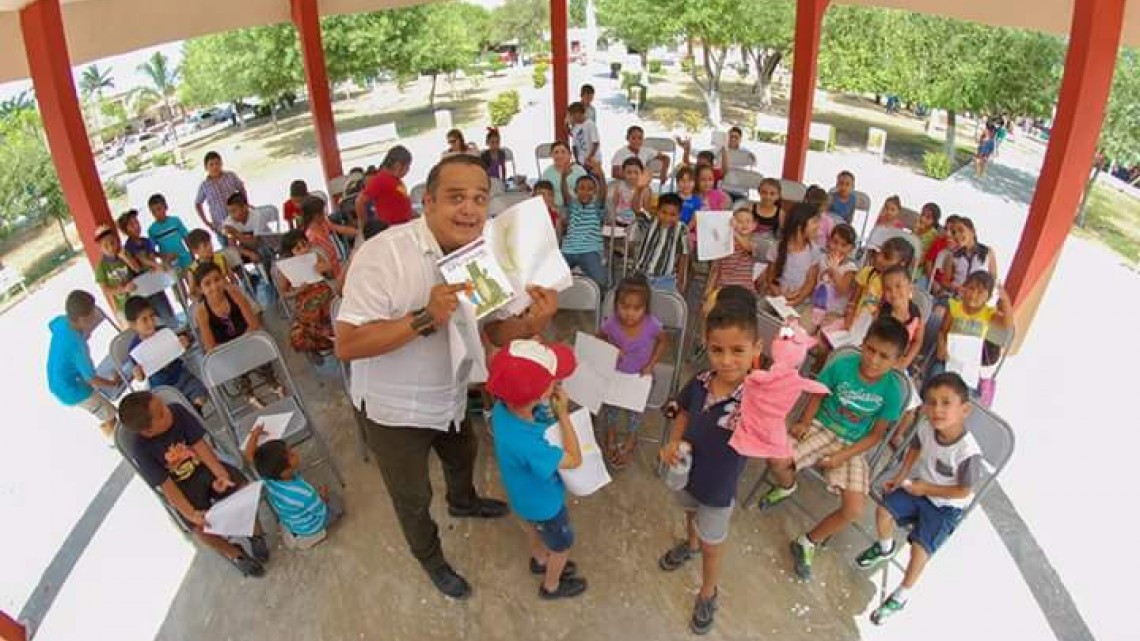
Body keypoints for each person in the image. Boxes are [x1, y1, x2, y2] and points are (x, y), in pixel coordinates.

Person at [334, 154, 559, 598]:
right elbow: (347, 344)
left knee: (463, 455)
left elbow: (494, 328)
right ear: (428, 202)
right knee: (413, 498)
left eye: (479, 199)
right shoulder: (384, 253)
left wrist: (532, 322)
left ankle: (464, 500)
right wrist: (424, 318)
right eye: (456, 198)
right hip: (394, 411)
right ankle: (432, 561)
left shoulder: (482, 255)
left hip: (452, 394)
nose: (470, 210)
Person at [759, 317, 909, 580]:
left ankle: (807, 542)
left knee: (853, 510)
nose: (874, 360)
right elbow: (818, 394)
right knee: (776, 458)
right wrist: (805, 421)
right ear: (863, 344)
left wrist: (842, 456)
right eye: (871, 350)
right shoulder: (843, 365)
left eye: (884, 356)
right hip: (821, 426)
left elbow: (876, 435)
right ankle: (787, 486)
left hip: (853, 445)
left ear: (896, 361)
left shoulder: (892, 391)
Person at [658, 293, 764, 635]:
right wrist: (674, 442)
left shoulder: (756, 398)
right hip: (687, 474)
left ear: (756, 349)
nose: (727, 360)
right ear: (707, 345)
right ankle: (688, 544)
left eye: (738, 350)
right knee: (688, 514)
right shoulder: (702, 381)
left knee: (712, 546)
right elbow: (684, 411)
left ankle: (708, 591)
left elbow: (768, 435)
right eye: (718, 350)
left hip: (718, 489)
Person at [856, 372, 983, 625]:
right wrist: (901, 475)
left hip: (947, 506)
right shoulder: (926, 426)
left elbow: (963, 492)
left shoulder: (968, 453)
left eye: (946, 402)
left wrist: (925, 488)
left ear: (965, 409)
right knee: (883, 510)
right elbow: (914, 447)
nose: (937, 409)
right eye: (931, 402)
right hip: (920, 489)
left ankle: (901, 595)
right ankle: (884, 548)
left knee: (919, 550)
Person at [118, 391, 268, 577]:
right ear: (148, 431)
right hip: (182, 487)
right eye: (161, 414)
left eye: (163, 405)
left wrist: (220, 474)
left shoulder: (177, 412)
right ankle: (235, 553)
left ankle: (255, 532)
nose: (168, 410)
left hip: (203, 467)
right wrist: (191, 513)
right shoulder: (141, 450)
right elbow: (167, 487)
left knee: (239, 489)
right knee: (200, 528)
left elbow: (201, 448)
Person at [485, 339, 587, 599]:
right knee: (562, 545)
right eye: (553, 380)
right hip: (546, 505)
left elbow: (528, 412)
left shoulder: (501, 410)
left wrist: (544, 406)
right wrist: (563, 414)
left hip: (523, 499)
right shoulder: (531, 445)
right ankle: (551, 586)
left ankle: (539, 559)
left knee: (534, 529)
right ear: (540, 395)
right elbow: (574, 459)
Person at [193, 261, 284, 406]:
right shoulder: (202, 311)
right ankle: (248, 394)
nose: (214, 286)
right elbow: (211, 347)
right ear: (200, 289)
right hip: (225, 351)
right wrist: (232, 349)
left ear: (223, 278)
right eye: (207, 284)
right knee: (234, 366)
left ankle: (272, 381)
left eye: (217, 279)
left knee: (259, 348)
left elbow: (253, 324)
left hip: (248, 339)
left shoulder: (234, 293)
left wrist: (244, 343)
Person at [598, 275, 665, 467]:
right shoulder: (611, 323)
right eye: (624, 306)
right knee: (611, 407)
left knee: (635, 412)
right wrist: (610, 350)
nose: (629, 313)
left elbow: (663, 341)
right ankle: (610, 432)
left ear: (646, 308)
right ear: (616, 304)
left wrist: (651, 364)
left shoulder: (652, 324)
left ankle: (631, 438)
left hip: (639, 376)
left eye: (637, 308)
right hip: (616, 374)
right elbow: (599, 337)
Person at [246, 423, 342, 548]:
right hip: (311, 525)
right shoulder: (304, 493)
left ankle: (296, 533)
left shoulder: (267, 476)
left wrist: (254, 435)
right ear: (284, 472)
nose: (295, 453)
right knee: (337, 505)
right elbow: (321, 511)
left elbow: (249, 455)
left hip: (291, 520)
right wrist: (323, 495)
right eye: (291, 455)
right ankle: (312, 535)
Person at [47, 290, 121, 438]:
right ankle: (114, 438)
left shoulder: (62, 322)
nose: (95, 316)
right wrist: (113, 383)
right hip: (72, 390)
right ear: (82, 319)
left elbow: (51, 325)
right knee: (109, 413)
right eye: (92, 315)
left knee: (101, 409)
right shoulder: (77, 347)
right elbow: (91, 378)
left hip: (57, 378)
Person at [124, 296, 208, 414]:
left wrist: (185, 342)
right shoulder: (135, 349)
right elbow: (141, 377)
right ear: (133, 325)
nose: (151, 322)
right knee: (168, 410)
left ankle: (196, 411)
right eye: (144, 320)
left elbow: (183, 345)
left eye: (152, 317)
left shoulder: (164, 331)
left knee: (200, 392)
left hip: (181, 376)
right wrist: (138, 375)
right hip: (161, 387)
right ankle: (188, 416)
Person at [930, 271, 1011, 379]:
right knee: (935, 378)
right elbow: (943, 331)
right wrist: (941, 346)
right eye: (971, 288)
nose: (973, 295)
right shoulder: (954, 307)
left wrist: (1005, 300)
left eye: (980, 292)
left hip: (969, 367)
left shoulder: (988, 314)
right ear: (964, 289)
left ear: (988, 297)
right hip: (948, 359)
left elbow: (1007, 324)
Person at [276, 230, 336, 354]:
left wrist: (326, 269)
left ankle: (330, 339)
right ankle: (320, 343)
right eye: (298, 248)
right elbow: (284, 294)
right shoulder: (285, 269)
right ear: (290, 252)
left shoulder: (315, 255)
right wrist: (298, 291)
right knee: (304, 327)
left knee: (332, 308)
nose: (304, 250)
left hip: (326, 295)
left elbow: (331, 276)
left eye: (305, 245)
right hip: (304, 301)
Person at [845, 237, 915, 331]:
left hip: (876, 329)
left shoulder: (899, 288)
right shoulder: (868, 273)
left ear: (901, 264)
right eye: (880, 252)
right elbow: (854, 298)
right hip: (854, 321)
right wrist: (848, 316)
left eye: (886, 257)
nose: (878, 257)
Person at [764, 203, 821, 308]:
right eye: (814, 222)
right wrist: (781, 296)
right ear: (799, 226)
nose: (818, 226)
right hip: (777, 299)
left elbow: (811, 282)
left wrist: (797, 300)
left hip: (801, 301)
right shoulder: (777, 248)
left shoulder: (814, 250)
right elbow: (770, 278)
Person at [634, 193, 689, 291]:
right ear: (657, 211)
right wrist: (639, 189)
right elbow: (636, 209)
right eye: (664, 212)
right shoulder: (650, 222)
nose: (667, 218)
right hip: (641, 274)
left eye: (673, 215)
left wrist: (681, 280)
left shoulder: (682, 229)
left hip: (665, 279)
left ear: (679, 215)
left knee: (662, 304)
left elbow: (683, 255)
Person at [561, 175, 608, 288]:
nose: (585, 192)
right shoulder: (572, 205)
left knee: (601, 282)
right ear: (575, 191)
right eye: (582, 188)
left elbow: (603, 193)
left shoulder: (597, 206)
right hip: (569, 250)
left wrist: (600, 172)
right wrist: (563, 177)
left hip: (589, 250)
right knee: (552, 279)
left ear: (595, 191)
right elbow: (564, 193)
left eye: (590, 189)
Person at [809, 223, 858, 327]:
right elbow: (814, 282)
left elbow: (842, 290)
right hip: (816, 307)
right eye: (835, 242)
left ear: (851, 248)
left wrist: (834, 270)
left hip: (835, 314)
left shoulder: (850, 268)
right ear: (829, 241)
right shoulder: (822, 258)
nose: (838, 248)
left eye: (844, 245)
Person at [194, 151, 247, 244]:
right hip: (220, 224)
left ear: (221, 163)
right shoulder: (205, 186)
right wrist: (206, 222)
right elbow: (198, 203)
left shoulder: (230, 176)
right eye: (211, 164)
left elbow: (241, 188)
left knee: (246, 243)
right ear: (206, 167)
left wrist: (245, 206)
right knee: (229, 251)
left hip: (238, 219)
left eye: (217, 163)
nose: (215, 167)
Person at [355, 145, 413, 229]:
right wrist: (364, 224)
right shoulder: (380, 179)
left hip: (403, 225)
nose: (408, 170)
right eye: (407, 167)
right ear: (398, 165)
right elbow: (359, 201)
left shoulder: (395, 179)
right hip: (391, 228)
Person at [301, 195, 354, 281]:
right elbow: (319, 263)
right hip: (330, 274)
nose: (325, 213)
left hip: (337, 267)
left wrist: (358, 232)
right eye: (322, 211)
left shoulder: (323, 222)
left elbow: (339, 228)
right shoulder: (311, 237)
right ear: (315, 215)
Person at [93, 223, 141, 318]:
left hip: (137, 298)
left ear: (117, 240)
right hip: (121, 306)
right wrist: (123, 289)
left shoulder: (124, 254)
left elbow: (137, 269)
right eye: (106, 246)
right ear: (100, 248)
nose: (111, 248)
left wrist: (125, 258)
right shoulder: (101, 266)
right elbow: (106, 289)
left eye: (112, 243)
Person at [539, 140, 588, 218]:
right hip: (555, 210)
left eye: (563, 152)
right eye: (556, 152)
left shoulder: (580, 171)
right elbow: (543, 195)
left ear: (570, 154)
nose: (560, 155)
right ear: (551, 155)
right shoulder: (547, 173)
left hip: (577, 210)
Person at [146, 193, 194, 271]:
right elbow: (152, 250)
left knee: (191, 279)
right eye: (153, 212)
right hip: (169, 262)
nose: (157, 214)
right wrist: (164, 256)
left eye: (159, 209)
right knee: (177, 282)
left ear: (166, 207)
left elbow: (186, 237)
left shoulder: (175, 221)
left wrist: (192, 253)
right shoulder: (152, 230)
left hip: (184, 257)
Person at [185, 229, 236, 297]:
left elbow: (232, 278)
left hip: (227, 294)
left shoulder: (220, 258)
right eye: (205, 245)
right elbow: (192, 293)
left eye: (210, 243)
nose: (210, 247)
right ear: (195, 251)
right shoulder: (192, 270)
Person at [607, 157, 653, 227]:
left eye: (636, 172)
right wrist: (612, 221)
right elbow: (614, 206)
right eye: (629, 172)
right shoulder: (619, 186)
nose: (632, 176)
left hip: (636, 225)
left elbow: (646, 211)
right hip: (618, 222)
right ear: (623, 173)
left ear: (641, 173)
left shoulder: (646, 190)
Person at [568, 102, 601, 174]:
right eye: (571, 115)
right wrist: (577, 160)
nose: (572, 117)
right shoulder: (575, 127)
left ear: (581, 113)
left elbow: (595, 143)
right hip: (581, 162)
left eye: (573, 114)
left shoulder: (590, 124)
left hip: (592, 161)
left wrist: (589, 158)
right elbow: (574, 146)